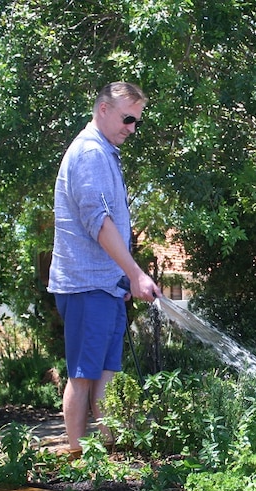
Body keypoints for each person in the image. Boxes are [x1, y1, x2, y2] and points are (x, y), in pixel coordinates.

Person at [48, 81, 162, 450]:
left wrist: (123, 277)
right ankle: (80, 460)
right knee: (82, 377)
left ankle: (109, 456)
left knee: (106, 377)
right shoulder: (90, 154)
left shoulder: (105, 153)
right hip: (85, 287)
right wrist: (134, 273)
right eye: (128, 119)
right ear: (103, 110)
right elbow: (98, 221)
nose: (132, 128)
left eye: (137, 122)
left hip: (106, 286)